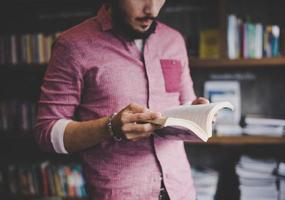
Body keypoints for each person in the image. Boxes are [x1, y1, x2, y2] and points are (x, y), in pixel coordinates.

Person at [35, 0, 209, 199]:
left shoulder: (174, 40)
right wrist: (109, 127)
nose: (151, 10)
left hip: (182, 191)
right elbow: (46, 132)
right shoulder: (72, 45)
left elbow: (185, 101)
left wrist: (197, 113)